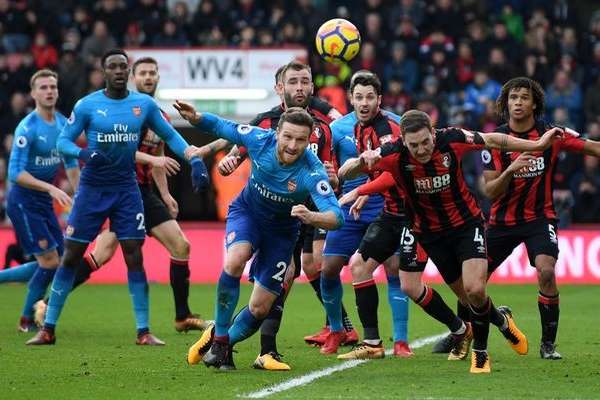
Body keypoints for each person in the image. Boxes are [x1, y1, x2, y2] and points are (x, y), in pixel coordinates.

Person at [346, 109, 562, 373]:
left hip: (466, 225)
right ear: (403, 140)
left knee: (475, 290)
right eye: (414, 145)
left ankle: (480, 353)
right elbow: (346, 172)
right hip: (429, 234)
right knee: (468, 298)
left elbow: (492, 139)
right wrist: (361, 161)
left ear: (433, 132)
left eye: (425, 142)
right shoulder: (392, 153)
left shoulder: (453, 138)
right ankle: (502, 321)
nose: (421, 150)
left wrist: (537, 145)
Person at [26, 49, 209, 346]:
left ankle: (144, 331)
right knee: (72, 255)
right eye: (113, 67)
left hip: (128, 190)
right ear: (104, 72)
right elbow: (63, 141)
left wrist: (194, 158)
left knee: (134, 256)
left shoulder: (145, 106)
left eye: (123, 66)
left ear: (128, 72)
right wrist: (84, 153)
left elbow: (171, 137)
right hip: (92, 190)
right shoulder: (87, 105)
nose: (119, 71)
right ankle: (48, 328)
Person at [176, 104, 344, 370]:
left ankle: (221, 341)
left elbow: (337, 217)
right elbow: (223, 127)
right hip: (248, 214)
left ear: (308, 140)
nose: (293, 145)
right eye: (288, 137)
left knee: (260, 309)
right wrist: (197, 118)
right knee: (235, 260)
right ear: (277, 133)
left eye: (301, 140)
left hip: (282, 232)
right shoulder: (259, 139)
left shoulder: (312, 171)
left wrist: (312, 217)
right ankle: (221, 338)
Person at [482, 77, 600, 360]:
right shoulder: (494, 140)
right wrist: (510, 170)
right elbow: (490, 191)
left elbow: (593, 148)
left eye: (524, 97)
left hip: (539, 218)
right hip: (501, 221)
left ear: (534, 103)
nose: (518, 103)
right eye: (513, 98)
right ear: (506, 103)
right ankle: (465, 331)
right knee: (472, 282)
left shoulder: (552, 134)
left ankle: (548, 345)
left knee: (546, 271)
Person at [316, 71, 411, 356]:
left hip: (384, 203)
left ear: (379, 99)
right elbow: (334, 174)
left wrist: (365, 191)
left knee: (393, 267)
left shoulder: (394, 125)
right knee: (328, 268)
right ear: (351, 98)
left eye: (370, 97)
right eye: (359, 97)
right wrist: (332, 179)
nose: (364, 102)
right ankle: (336, 331)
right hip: (348, 206)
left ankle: (401, 340)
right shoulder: (338, 128)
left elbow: (398, 168)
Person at [5, 69, 79, 332]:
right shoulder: (27, 128)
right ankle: (26, 320)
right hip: (23, 201)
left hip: (44, 202)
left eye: (53, 87)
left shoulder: (64, 125)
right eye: (43, 87)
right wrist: (50, 187)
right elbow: (14, 173)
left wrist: (81, 197)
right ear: (33, 93)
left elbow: (71, 162)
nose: (49, 91)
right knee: (49, 262)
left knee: (57, 261)